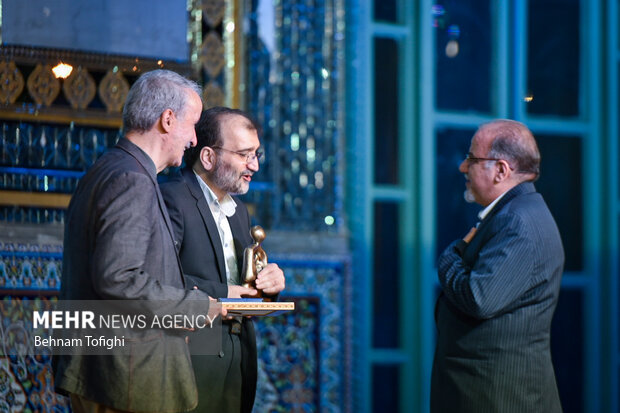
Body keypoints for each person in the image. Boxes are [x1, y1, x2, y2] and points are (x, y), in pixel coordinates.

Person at [54, 69, 222, 413]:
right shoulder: (131, 180)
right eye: (192, 126)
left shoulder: (112, 168)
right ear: (168, 119)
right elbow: (118, 278)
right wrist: (193, 308)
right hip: (124, 377)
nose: (193, 140)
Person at [431, 119, 564, 412]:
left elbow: (479, 299)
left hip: (499, 398)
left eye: (472, 159)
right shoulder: (513, 213)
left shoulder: (518, 222)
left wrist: (448, 259)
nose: (462, 167)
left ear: (501, 170)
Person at [160, 106, 286, 413]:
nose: (254, 165)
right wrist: (223, 294)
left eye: (257, 154)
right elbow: (157, 281)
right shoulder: (172, 197)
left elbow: (245, 286)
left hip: (237, 352)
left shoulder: (238, 210)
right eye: (244, 154)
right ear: (207, 157)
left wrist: (271, 285)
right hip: (194, 350)